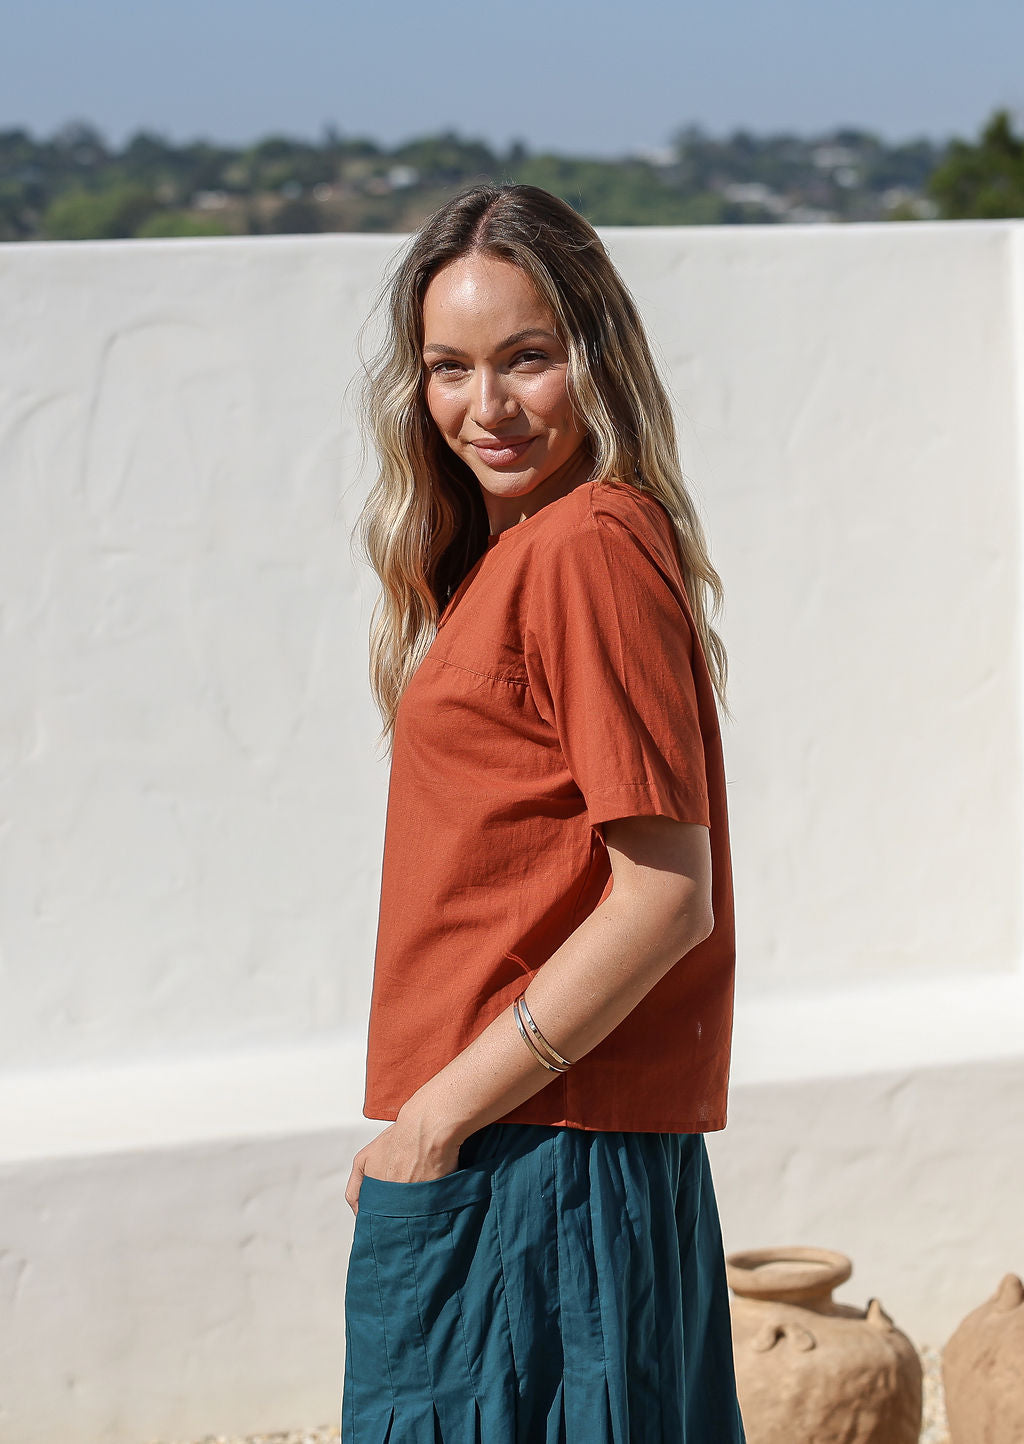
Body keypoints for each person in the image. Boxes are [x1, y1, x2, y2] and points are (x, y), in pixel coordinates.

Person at [341, 182, 746, 1444]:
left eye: (528, 357)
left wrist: (438, 1114)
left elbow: (666, 894)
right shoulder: (514, 553)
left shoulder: (582, 545)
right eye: (449, 368)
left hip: (545, 1160)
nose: (487, 406)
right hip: (522, 1147)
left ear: (596, 356)